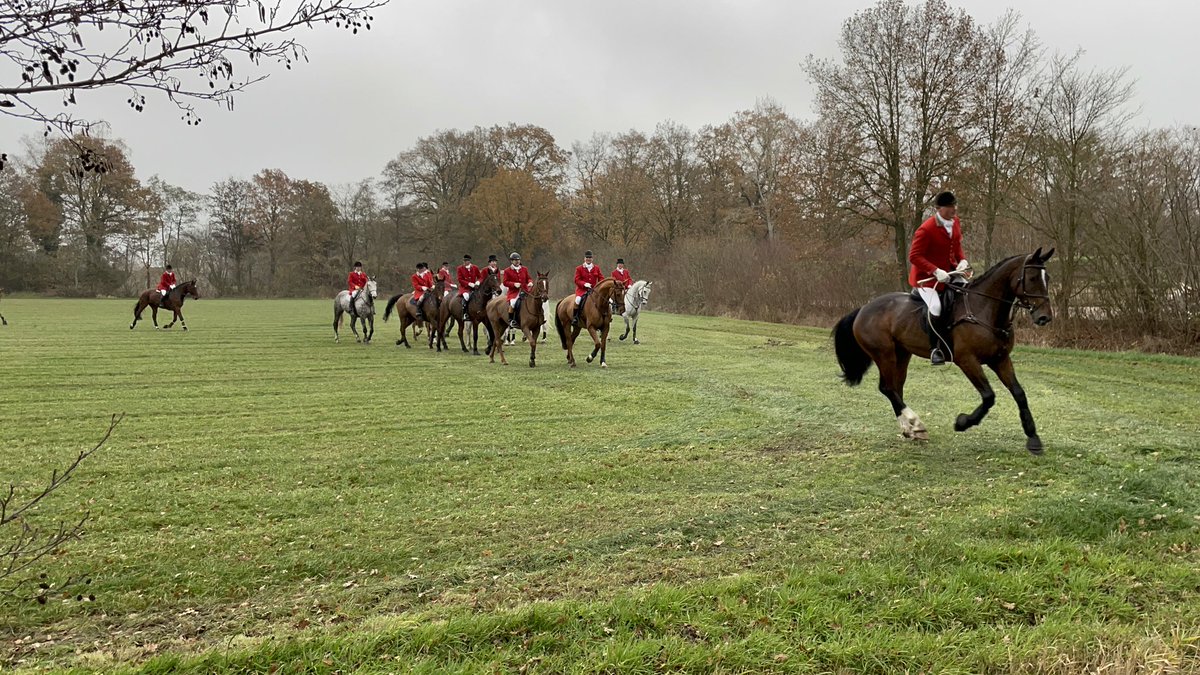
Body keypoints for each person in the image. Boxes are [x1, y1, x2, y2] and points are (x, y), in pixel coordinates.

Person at [908, 190, 971, 366]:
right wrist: (935, 271)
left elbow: (956, 246)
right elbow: (914, 256)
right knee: (935, 307)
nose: (954, 209)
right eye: (950, 206)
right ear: (939, 209)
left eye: (955, 205)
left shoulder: (956, 222)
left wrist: (962, 260)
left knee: (968, 293)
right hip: (926, 279)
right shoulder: (926, 229)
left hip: (950, 274)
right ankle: (935, 348)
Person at [572, 250, 605, 326]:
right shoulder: (579, 268)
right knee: (578, 300)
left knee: (603, 299)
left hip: (593, 290)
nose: (588, 259)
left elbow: (601, 278)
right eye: (587, 257)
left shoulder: (596, 268)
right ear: (584, 258)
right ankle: (575, 317)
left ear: (592, 259)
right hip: (582, 290)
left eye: (590, 257)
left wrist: (601, 286)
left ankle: (605, 316)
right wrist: (584, 284)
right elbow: (576, 280)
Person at [501, 252, 532, 329]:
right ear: (511, 261)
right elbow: (505, 282)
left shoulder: (524, 269)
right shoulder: (507, 270)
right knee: (513, 303)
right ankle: (511, 320)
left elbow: (529, 278)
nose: (517, 261)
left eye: (518, 260)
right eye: (515, 260)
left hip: (525, 291)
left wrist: (530, 282)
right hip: (513, 293)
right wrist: (514, 284)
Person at [456, 254, 482, 321]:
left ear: (469, 261)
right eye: (464, 260)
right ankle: (465, 313)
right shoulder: (460, 268)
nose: (465, 262)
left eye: (466, 260)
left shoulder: (475, 268)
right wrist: (469, 284)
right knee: (466, 297)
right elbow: (460, 279)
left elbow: (480, 277)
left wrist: (478, 282)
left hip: (474, 287)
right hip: (464, 288)